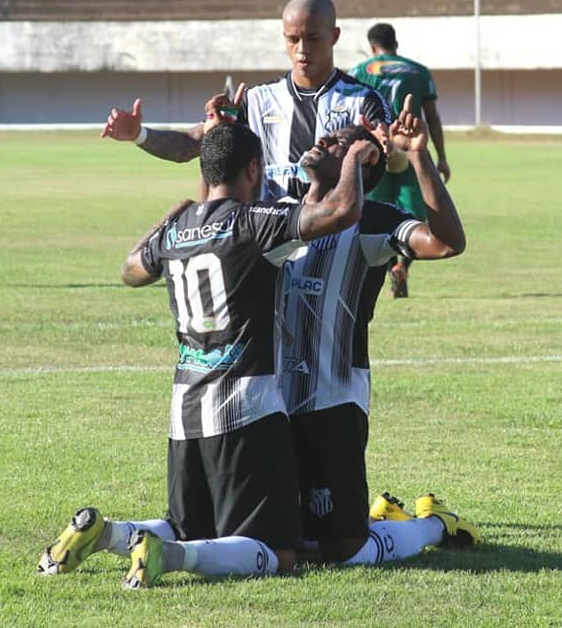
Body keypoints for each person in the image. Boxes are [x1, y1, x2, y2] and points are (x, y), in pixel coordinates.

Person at [37, 122, 381, 588]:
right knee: (279, 553)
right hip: (247, 407)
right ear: (254, 168)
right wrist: (356, 159)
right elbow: (341, 211)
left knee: (191, 525)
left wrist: (169, 216)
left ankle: (106, 534)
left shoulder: (178, 229)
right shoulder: (254, 221)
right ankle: (169, 556)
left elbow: (130, 270)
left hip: (184, 411)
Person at [278, 107, 478, 568]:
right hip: (273, 404)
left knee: (342, 554)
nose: (322, 143)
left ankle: (434, 524)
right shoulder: (286, 216)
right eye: (323, 138)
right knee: (291, 544)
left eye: (336, 142)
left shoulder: (373, 221)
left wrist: (419, 157)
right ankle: (383, 515)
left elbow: (447, 243)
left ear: (363, 162)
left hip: (333, 404)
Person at [100, 0, 391, 201]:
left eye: (313, 38)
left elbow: (393, 160)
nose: (302, 49)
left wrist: (399, 148)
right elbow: (192, 144)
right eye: (293, 39)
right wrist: (139, 134)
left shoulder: (363, 100)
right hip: (269, 242)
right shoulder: (256, 100)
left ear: (335, 35)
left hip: (337, 240)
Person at [351, 22, 449, 298]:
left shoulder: (360, 72)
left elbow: (353, 115)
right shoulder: (418, 71)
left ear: (372, 47)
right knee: (415, 213)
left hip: (377, 152)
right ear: (396, 43)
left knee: (373, 214)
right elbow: (432, 117)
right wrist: (441, 157)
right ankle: (401, 266)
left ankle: (377, 274)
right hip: (409, 148)